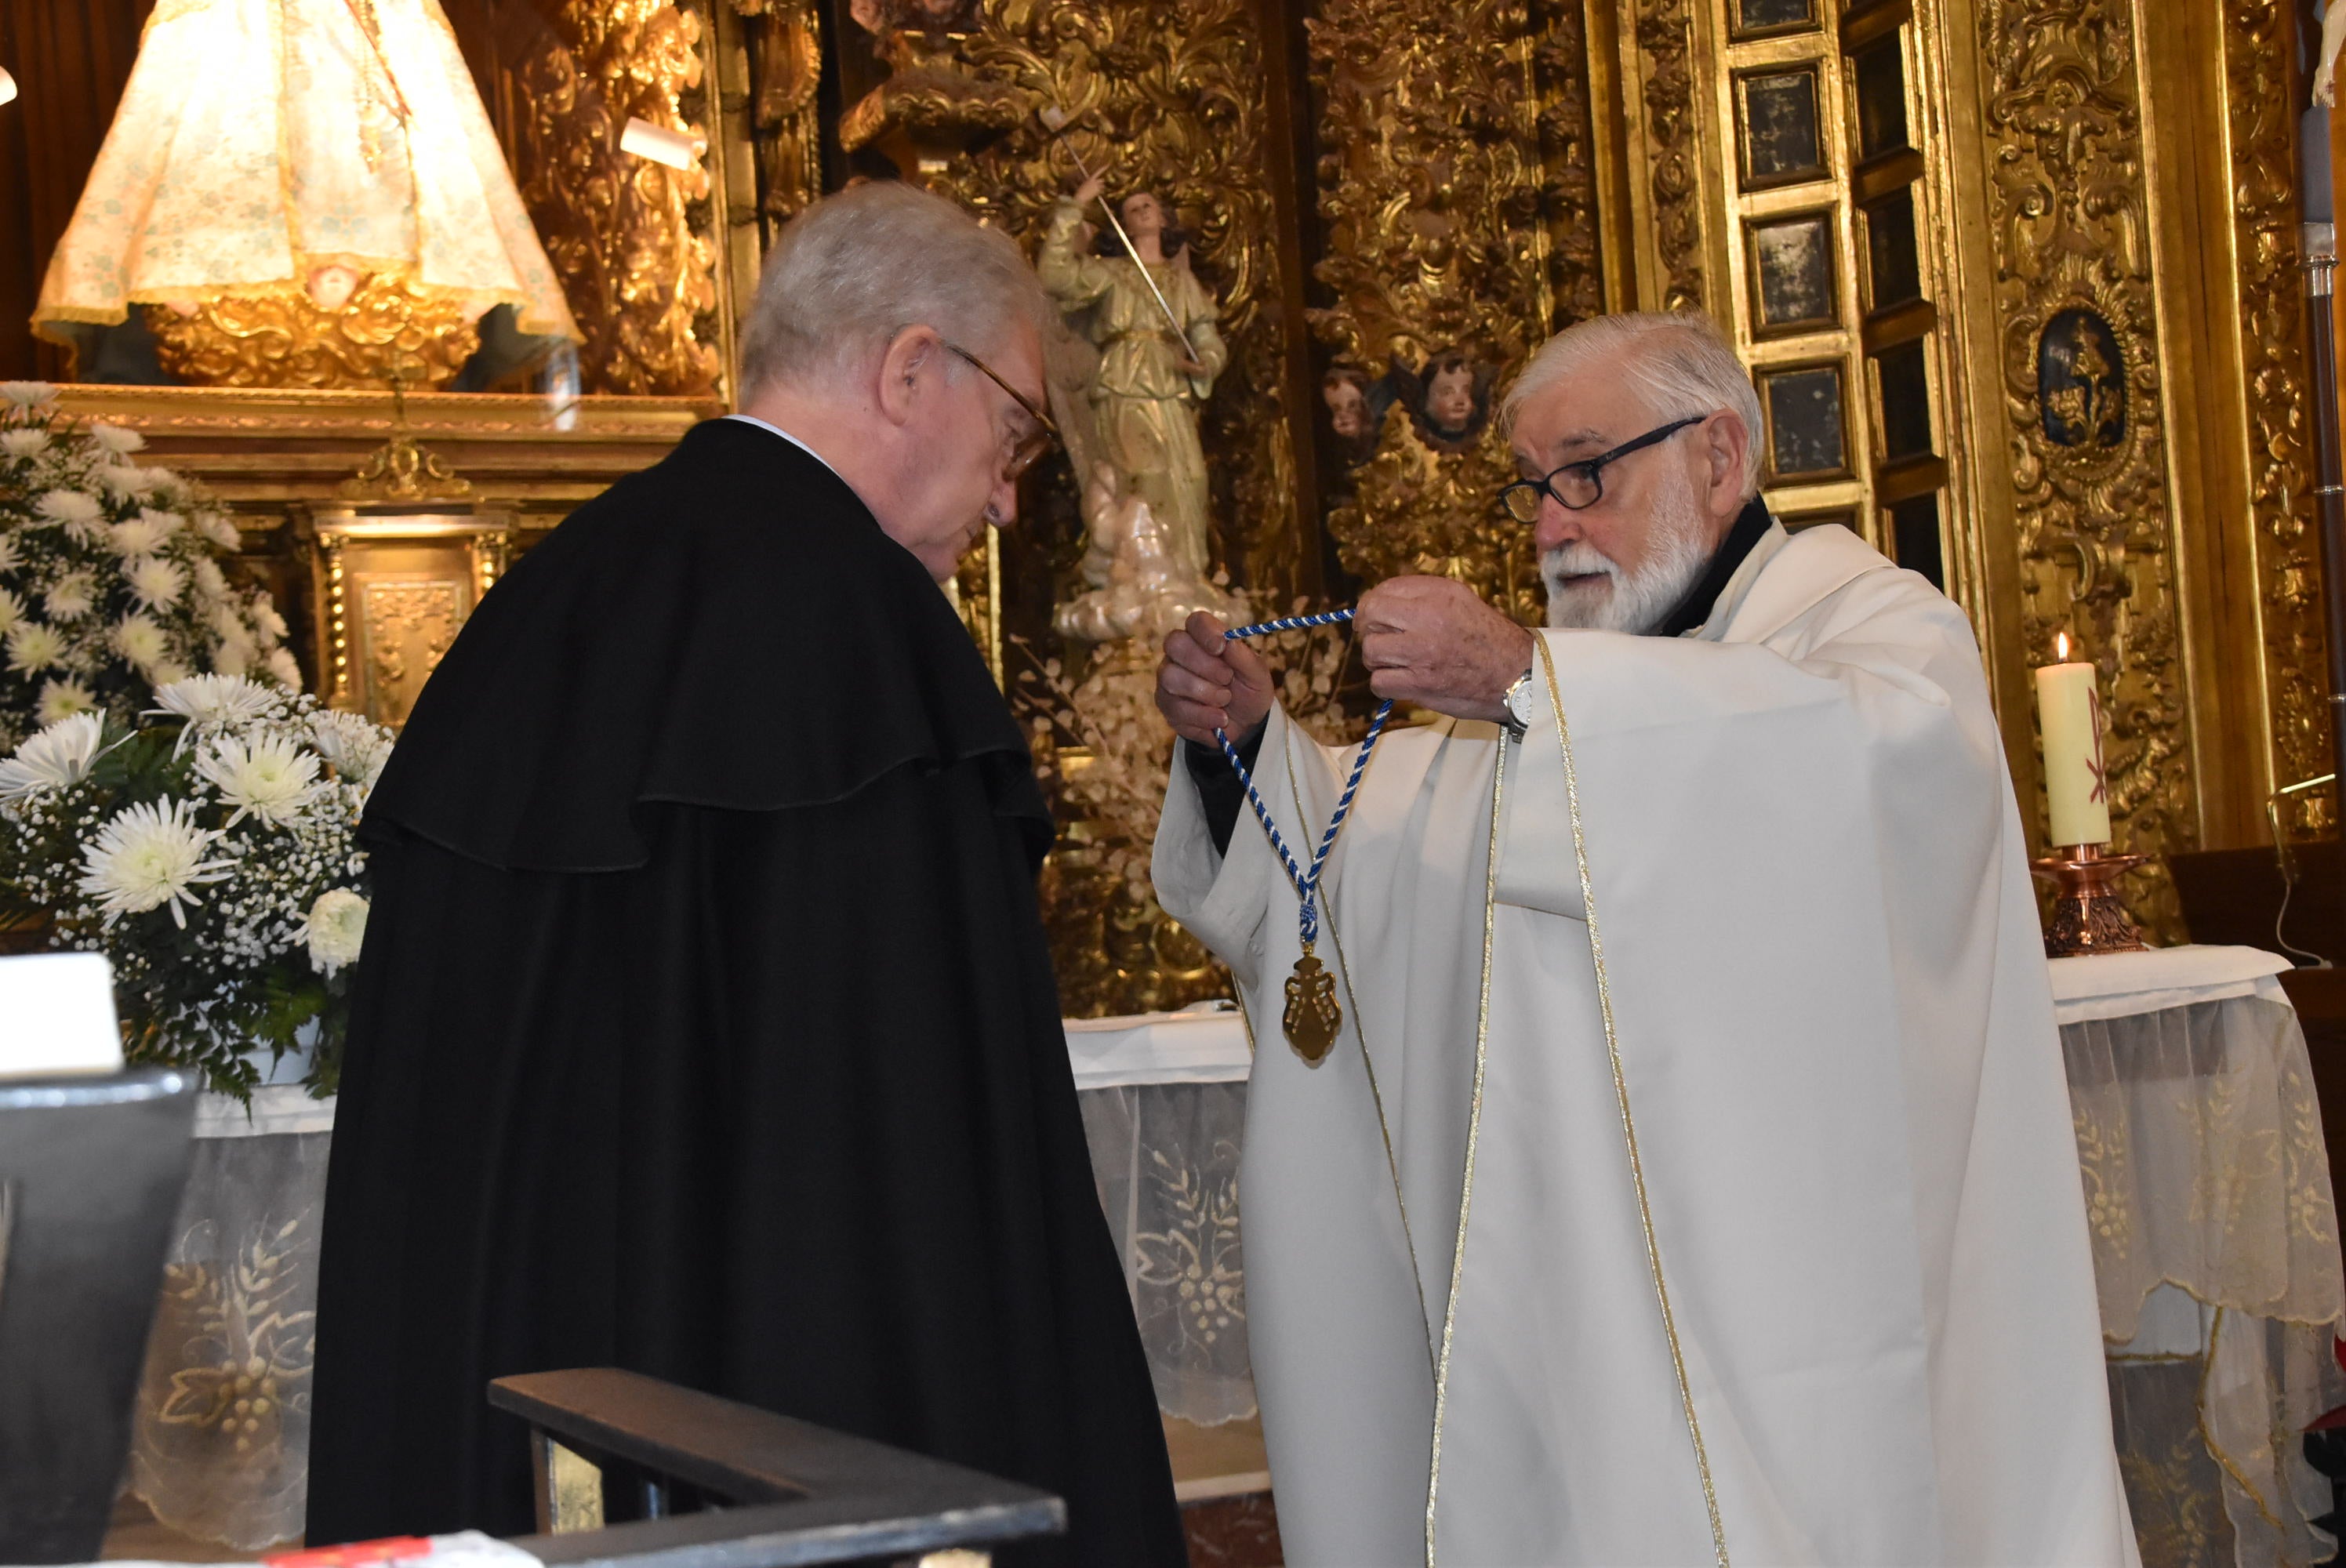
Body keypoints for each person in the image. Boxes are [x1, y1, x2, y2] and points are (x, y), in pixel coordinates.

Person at [1151, 311, 2137, 1565]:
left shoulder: (1874, 635)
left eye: (1588, 474)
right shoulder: (1552, 689)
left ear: (1718, 457)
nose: (1553, 524)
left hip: (1806, 1353)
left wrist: (1524, 683)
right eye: (1535, 490)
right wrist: (1245, 748)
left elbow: (1858, 776)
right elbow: (1363, 859)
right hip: (1583, 1367)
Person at [307, 181, 1187, 1568]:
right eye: (1015, 434)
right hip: (788, 1453)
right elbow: (917, 1172)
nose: (1011, 501)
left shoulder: (551, 596)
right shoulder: (866, 634)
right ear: (910, 369)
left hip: (517, 1423)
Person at [1037, 179, 1228, 581]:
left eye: (1148, 205)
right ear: (1120, 224)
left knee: (1192, 479)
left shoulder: (1182, 283)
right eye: (1131, 209)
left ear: (1163, 218)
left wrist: (1205, 361)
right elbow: (1054, 277)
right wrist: (1075, 208)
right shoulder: (1111, 274)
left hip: (1171, 384)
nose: (1140, 211)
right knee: (1146, 478)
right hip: (1124, 384)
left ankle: (1188, 577)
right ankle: (1146, 578)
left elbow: (1208, 339)